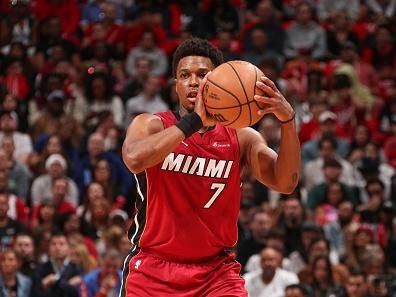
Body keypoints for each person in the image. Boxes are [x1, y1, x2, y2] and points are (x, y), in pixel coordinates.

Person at [121, 38, 300, 296]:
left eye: (202, 74)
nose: (193, 81)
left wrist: (288, 122)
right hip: (153, 270)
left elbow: (286, 182)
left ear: (219, 80)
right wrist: (193, 122)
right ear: (176, 86)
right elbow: (134, 159)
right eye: (184, 75)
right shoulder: (151, 125)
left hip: (216, 273)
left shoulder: (242, 138)